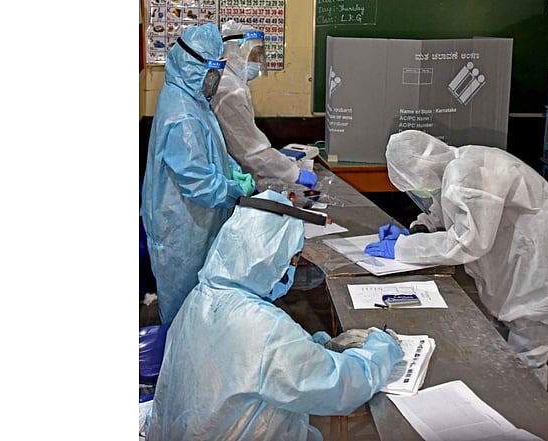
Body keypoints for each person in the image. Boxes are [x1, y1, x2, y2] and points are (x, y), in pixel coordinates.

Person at [146, 190, 403, 441]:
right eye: (292, 259)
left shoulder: (201, 297)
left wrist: (319, 348)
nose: (291, 268)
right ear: (270, 258)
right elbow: (340, 387)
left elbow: (248, 363)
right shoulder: (264, 327)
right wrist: (382, 349)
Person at [364, 130, 548, 388]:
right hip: (517, 255)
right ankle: (506, 396)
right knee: (503, 331)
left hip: (538, 259)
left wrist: (404, 248)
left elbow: (466, 241)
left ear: (420, 171)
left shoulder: (464, 175)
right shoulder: (453, 167)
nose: (418, 192)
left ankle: (531, 415)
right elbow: (445, 208)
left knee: (528, 345)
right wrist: (418, 230)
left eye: (414, 185)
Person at [141, 23, 256, 326]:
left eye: (219, 69)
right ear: (192, 64)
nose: (215, 78)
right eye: (212, 70)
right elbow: (198, 182)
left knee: (198, 317)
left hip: (194, 225)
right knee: (184, 321)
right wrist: (233, 190)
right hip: (182, 231)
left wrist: (232, 169)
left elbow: (211, 148)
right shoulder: (182, 114)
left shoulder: (190, 98)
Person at [211, 20, 318, 191]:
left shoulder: (232, 82)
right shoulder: (230, 90)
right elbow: (251, 151)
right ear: (236, 52)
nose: (258, 63)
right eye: (255, 55)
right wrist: (293, 173)